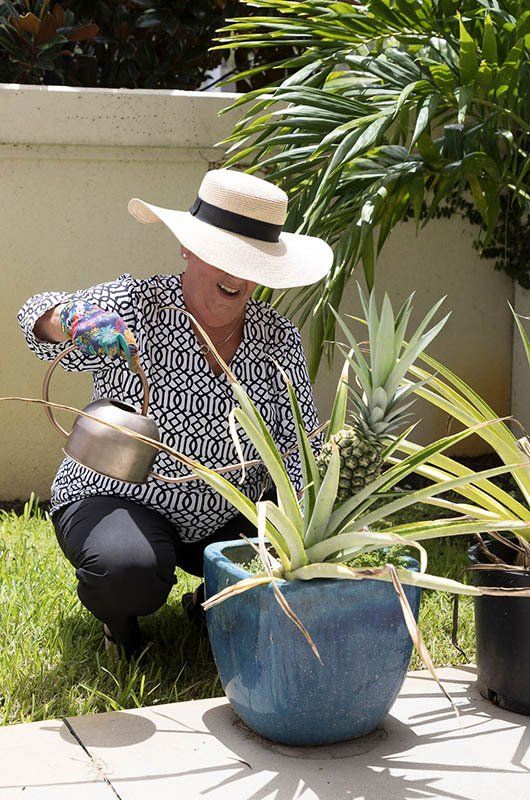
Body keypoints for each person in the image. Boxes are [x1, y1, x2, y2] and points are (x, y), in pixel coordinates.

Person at [17, 168, 334, 658]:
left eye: (249, 260)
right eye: (221, 254)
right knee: (127, 571)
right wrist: (73, 320)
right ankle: (119, 625)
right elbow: (33, 314)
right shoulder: (136, 305)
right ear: (186, 248)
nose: (235, 274)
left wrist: (308, 528)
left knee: (299, 560)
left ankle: (211, 602)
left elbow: (299, 450)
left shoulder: (279, 338)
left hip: (228, 514)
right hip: (120, 497)